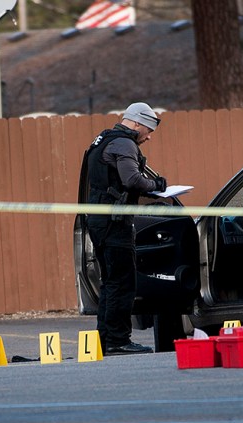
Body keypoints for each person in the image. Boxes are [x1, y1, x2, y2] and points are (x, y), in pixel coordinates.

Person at [84, 102, 166, 355]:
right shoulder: (124, 143)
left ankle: (105, 341)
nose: (149, 137)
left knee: (110, 282)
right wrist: (157, 185)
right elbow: (131, 180)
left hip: (99, 220)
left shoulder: (102, 140)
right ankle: (118, 341)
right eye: (148, 130)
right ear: (137, 123)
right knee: (123, 282)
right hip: (115, 222)